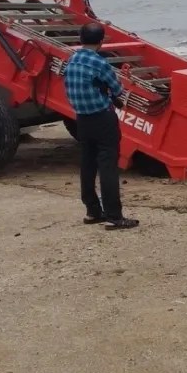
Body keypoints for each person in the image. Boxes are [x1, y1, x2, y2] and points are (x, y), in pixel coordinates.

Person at [62, 22, 138, 230]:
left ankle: (93, 211)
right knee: (108, 166)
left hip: (82, 119)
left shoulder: (71, 60)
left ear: (80, 39)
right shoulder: (99, 63)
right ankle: (114, 216)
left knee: (87, 164)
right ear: (101, 42)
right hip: (102, 118)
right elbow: (117, 89)